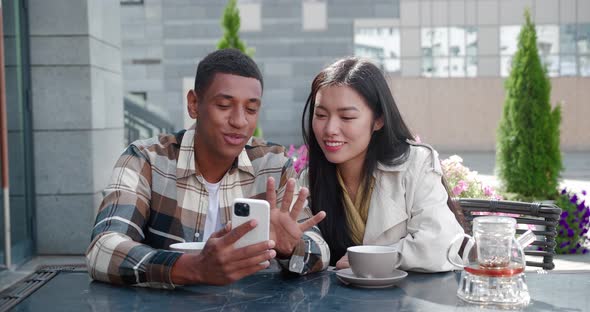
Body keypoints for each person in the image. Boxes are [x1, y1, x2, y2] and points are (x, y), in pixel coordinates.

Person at [86, 49, 329, 289]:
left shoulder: (273, 165)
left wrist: (290, 248)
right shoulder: (146, 160)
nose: (239, 121)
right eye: (224, 105)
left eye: (251, 109)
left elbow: (319, 248)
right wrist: (192, 268)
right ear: (194, 104)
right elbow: (103, 248)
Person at [300, 57, 465, 272]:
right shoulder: (309, 178)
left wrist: (372, 259)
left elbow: (442, 244)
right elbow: (302, 247)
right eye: (321, 115)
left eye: (347, 117)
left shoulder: (415, 164)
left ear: (379, 120)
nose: (330, 129)